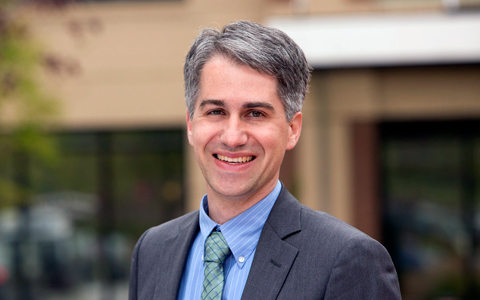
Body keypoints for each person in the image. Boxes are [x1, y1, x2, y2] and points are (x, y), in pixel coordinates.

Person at [129, 20, 401, 300]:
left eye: (255, 114)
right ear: (190, 124)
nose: (233, 137)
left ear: (292, 129)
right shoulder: (153, 251)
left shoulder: (347, 260)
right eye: (216, 112)